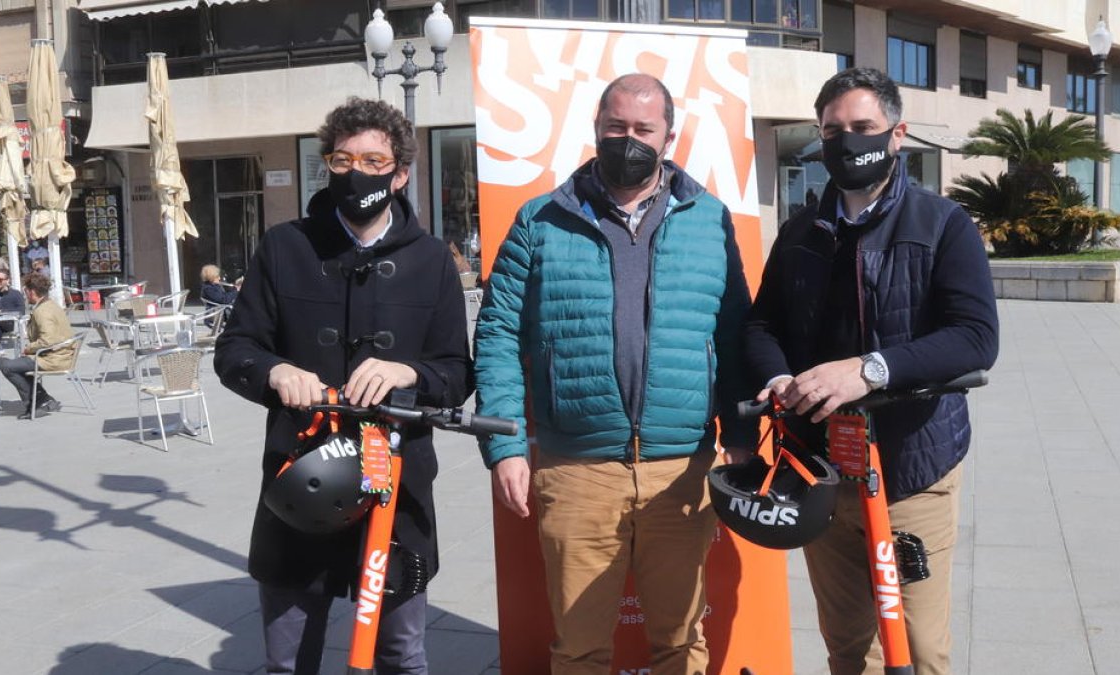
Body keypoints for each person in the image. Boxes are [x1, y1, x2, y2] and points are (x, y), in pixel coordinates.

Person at [474, 73, 758, 674]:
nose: (628, 140)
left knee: (681, 643)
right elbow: (497, 332)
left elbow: (734, 334)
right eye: (616, 126)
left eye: (643, 129)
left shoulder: (709, 218)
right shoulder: (540, 220)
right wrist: (504, 444)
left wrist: (739, 435)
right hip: (577, 470)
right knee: (579, 648)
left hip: (681, 469)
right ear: (596, 129)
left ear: (668, 137)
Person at [743, 67, 1000, 675]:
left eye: (863, 126)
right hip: (821, 469)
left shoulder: (943, 224)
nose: (847, 141)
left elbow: (975, 337)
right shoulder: (800, 232)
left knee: (918, 650)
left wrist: (870, 370)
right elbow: (762, 325)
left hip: (911, 468)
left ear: (896, 135)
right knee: (847, 648)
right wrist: (779, 379)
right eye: (833, 131)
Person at [214, 97, 471, 675]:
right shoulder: (284, 246)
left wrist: (409, 373)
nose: (357, 172)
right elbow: (234, 350)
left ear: (400, 173)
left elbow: (456, 372)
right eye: (342, 159)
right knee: (287, 659)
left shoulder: (432, 259)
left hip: (394, 485)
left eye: (374, 161)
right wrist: (275, 371)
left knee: (401, 652)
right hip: (300, 474)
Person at [0, 273, 74, 419]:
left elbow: (47, 340)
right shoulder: (51, 304)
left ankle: (38, 401)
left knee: (6, 366)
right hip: (60, 354)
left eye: (26, 291)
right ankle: (42, 398)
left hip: (54, 358)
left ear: (32, 291)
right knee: (15, 365)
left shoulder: (42, 311)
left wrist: (28, 349)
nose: (25, 295)